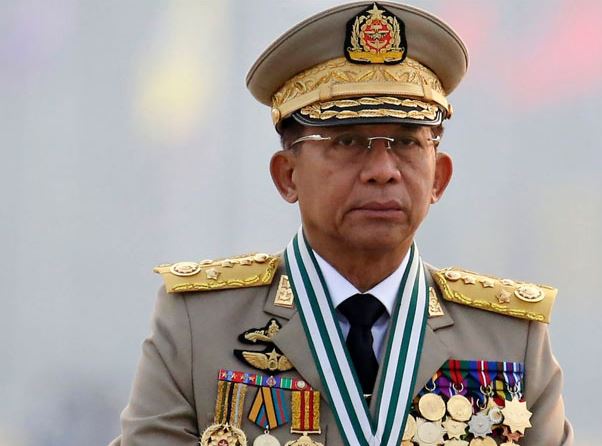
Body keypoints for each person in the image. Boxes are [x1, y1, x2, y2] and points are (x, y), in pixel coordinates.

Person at [110, 2, 573, 445]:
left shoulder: (509, 338)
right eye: (348, 141)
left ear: (439, 177)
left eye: (406, 143)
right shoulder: (199, 324)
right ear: (287, 175)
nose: (383, 170)